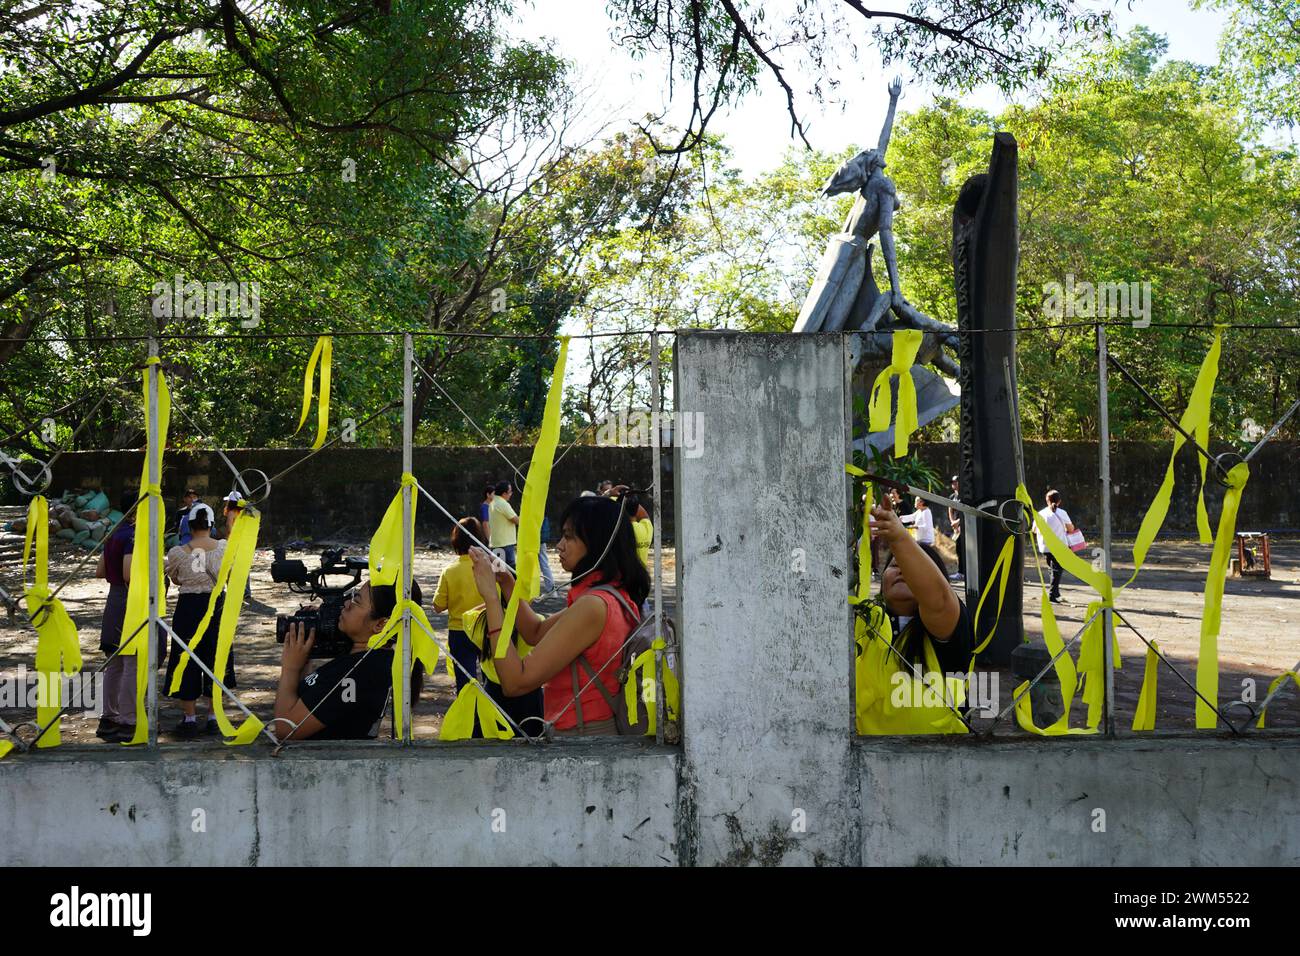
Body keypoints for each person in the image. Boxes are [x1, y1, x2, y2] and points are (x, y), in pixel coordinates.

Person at [470, 494, 650, 736]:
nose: (559, 545)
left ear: (597, 543)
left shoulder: (593, 606)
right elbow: (534, 632)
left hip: (582, 736)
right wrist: (507, 583)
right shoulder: (612, 594)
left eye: (569, 536)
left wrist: (491, 599)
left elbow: (515, 682)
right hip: (591, 730)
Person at [272, 578, 422, 740]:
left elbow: (286, 729)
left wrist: (290, 668)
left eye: (356, 601)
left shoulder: (357, 672)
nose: (346, 605)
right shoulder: (376, 659)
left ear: (380, 625)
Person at [869, 495, 974, 678]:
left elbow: (938, 600)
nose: (902, 571)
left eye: (911, 570)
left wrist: (900, 537)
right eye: (894, 566)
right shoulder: (865, 625)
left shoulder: (948, 624)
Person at [162, 502, 230, 738]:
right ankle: (213, 715)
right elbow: (229, 574)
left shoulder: (177, 553)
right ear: (211, 524)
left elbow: (176, 579)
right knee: (215, 656)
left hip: (188, 607)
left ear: (189, 525)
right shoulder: (224, 548)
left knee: (186, 657)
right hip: (216, 606)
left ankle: (189, 718)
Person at [94, 490, 137, 741]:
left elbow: (100, 571)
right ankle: (128, 720)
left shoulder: (113, 534)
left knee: (114, 662)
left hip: (114, 598)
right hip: (128, 600)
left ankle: (108, 717)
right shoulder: (132, 535)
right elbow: (129, 573)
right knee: (130, 661)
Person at [434, 518, 485, 692]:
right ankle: (491, 715)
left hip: (459, 631)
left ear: (455, 540)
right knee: (492, 679)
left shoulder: (449, 571)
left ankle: (469, 717)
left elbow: (438, 606)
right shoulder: (489, 566)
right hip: (487, 627)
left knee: (465, 683)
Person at [1036, 489, 1077, 604]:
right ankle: (1052, 595)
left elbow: (1034, 530)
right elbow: (1071, 529)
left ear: (1046, 500)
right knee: (1057, 570)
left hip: (1045, 547)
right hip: (1059, 546)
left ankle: (1056, 593)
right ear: (1059, 501)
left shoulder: (1041, 513)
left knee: (1053, 570)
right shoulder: (1062, 513)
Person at [488, 480, 519, 570]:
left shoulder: (493, 503)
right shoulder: (503, 504)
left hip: (495, 543)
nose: (511, 494)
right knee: (510, 570)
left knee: (497, 571)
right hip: (506, 543)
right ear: (504, 493)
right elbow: (516, 520)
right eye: (510, 492)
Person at [947, 475, 965, 581]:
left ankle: (965, 572)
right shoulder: (952, 497)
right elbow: (950, 510)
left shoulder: (964, 497)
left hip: (965, 526)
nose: (954, 483)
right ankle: (960, 572)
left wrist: (959, 522)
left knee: (964, 550)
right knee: (958, 549)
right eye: (952, 482)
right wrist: (953, 523)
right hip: (957, 528)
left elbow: (966, 511)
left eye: (956, 481)